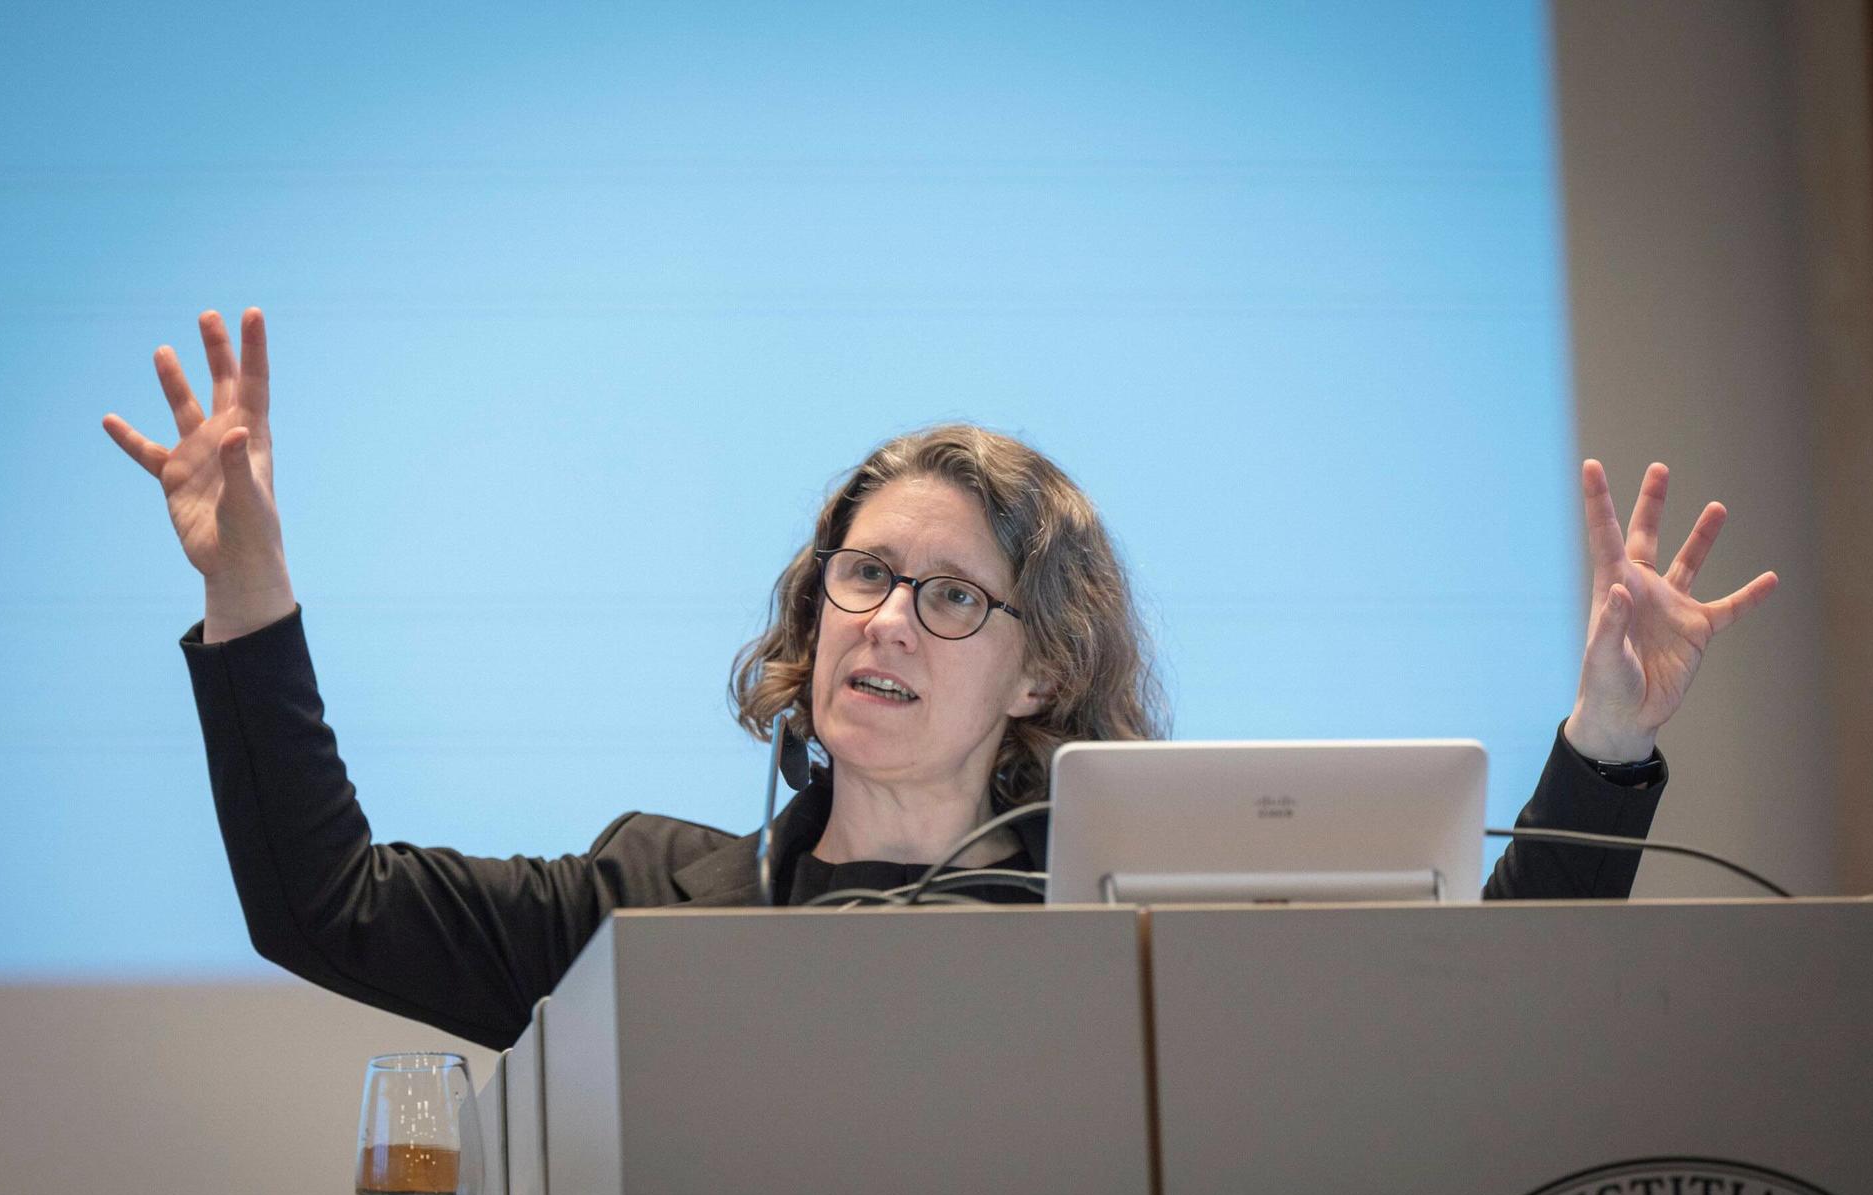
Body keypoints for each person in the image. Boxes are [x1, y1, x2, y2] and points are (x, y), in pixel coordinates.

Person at [103, 309, 1778, 1051]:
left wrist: (1606, 741)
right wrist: (248, 588)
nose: (885, 618)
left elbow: (1466, 1029)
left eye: (949, 596)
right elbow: (322, 901)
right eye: (862, 574)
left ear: (1043, 667)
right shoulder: (651, 900)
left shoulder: (1136, 915)